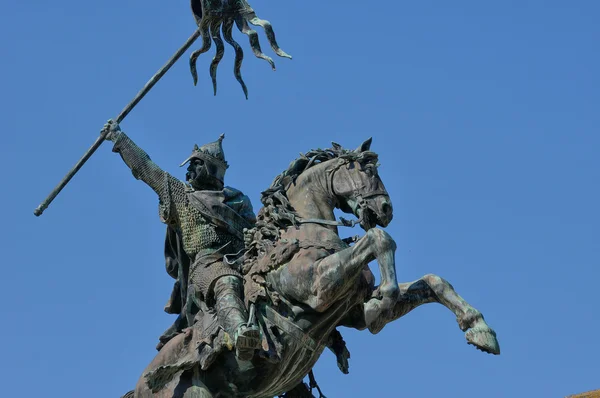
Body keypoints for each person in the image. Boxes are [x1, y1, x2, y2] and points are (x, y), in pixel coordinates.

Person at [103, 120, 261, 361]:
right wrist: (119, 138)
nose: (188, 171)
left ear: (210, 168)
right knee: (225, 281)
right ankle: (241, 332)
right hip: (207, 266)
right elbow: (146, 168)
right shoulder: (182, 196)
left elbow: (255, 231)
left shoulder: (238, 200)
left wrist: (254, 239)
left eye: (195, 165)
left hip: (242, 261)